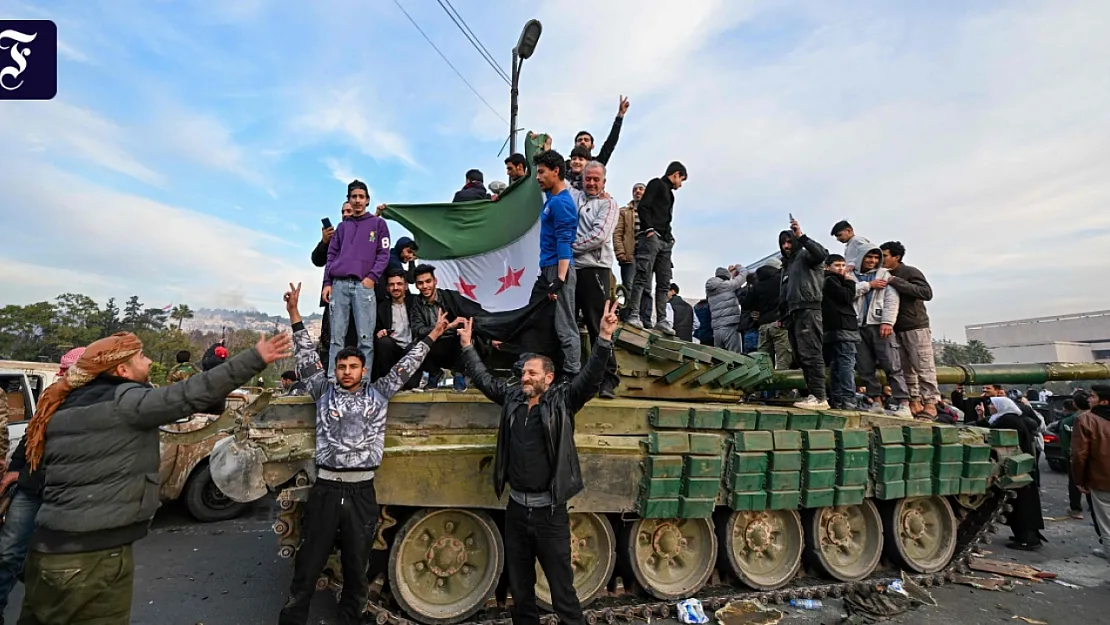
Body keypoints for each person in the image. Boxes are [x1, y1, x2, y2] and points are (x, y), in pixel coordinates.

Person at [17, 330, 289, 623]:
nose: (148, 363)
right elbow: (191, 393)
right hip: (93, 557)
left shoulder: (67, 405)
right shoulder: (125, 401)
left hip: (47, 551)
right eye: (142, 357)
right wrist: (255, 358)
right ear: (122, 369)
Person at [278, 282, 451, 625]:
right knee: (308, 565)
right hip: (326, 488)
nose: (346, 372)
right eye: (342, 367)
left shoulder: (379, 393)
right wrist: (295, 313)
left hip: (361, 492)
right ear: (336, 369)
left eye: (353, 367)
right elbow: (305, 355)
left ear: (363, 370)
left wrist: (433, 334)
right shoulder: (322, 390)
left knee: (357, 569)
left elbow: (408, 365)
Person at [455, 300, 619, 625]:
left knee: (562, 594)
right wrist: (467, 347)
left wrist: (603, 339)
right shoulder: (514, 398)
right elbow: (485, 381)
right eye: (524, 372)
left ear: (549, 376)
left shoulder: (563, 401)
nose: (525, 377)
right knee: (521, 592)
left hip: (549, 514)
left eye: (532, 373)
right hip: (516, 510)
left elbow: (589, 379)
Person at [0, 348, 84, 621]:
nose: (60, 373)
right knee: (8, 553)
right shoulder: (51, 399)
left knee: (55, 563)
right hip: (30, 489)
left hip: (65, 494)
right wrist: (14, 473)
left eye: (66, 369)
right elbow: (29, 439)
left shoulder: (96, 407)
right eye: (60, 368)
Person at [323, 180, 392, 378]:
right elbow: (331, 255)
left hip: (364, 285)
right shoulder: (342, 227)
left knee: (365, 338)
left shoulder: (378, 224)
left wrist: (372, 277)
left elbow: (383, 253)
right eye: (354, 197)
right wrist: (327, 283)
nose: (357, 200)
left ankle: (363, 381)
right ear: (349, 200)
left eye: (361, 197)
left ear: (368, 200)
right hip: (339, 284)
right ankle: (332, 380)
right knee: (337, 338)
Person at [570, 160, 620, 397]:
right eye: (587, 178)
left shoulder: (609, 204)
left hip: (595, 269)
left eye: (596, 179)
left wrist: (567, 248)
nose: (591, 183)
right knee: (567, 323)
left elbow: (599, 236)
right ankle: (573, 374)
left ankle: (608, 378)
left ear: (604, 182)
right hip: (571, 270)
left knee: (598, 324)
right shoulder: (574, 196)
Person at [533, 149, 581, 377]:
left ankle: (572, 376)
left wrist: (560, 279)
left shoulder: (562, 203)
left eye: (542, 172)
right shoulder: (552, 199)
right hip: (548, 269)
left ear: (556, 172)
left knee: (565, 326)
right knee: (544, 324)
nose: (537, 177)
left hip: (558, 269)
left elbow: (564, 242)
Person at [625, 161, 687, 334]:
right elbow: (644, 207)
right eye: (681, 179)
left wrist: (670, 237)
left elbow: (667, 218)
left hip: (665, 241)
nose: (680, 184)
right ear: (675, 174)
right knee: (642, 276)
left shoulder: (670, 195)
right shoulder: (656, 184)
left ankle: (661, 319)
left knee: (664, 281)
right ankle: (634, 314)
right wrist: (649, 229)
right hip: (652, 237)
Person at [977, 396, 1046, 550]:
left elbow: (989, 431)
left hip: (1018, 469)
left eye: (993, 405)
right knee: (1020, 504)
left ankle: (1029, 539)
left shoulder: (1008, 420)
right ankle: (1024, 536)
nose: (990, 407)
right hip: (1020, 468)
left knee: (1022, 505)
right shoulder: (1010, 418)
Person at [881, 241, 940, 419]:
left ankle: (930, 402)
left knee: (923, 365)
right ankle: (913, 400)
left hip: (915, 326)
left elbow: (926, 293)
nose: (881, 259)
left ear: (896, 257)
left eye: (885, 256)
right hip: (894, 328)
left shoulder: (909, 272)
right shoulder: (881, 275)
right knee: (904, 367)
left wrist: (896, 281)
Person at [851, 246, 911, 417]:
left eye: (876, 258)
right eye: (868, 257)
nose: (872, 261)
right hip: (858, 326)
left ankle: (903, 403)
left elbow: (892, 299)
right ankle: (875, 401)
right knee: (865, 367)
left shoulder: (884, 274)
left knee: (892, 365)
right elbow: (848, 293)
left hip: (880, 325)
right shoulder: (850, 275)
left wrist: (887, 321)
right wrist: (868, 285)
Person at [778, 217, 830, 409]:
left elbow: (821, 254)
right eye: (783, 242)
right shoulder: (788, 265)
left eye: (789, 241)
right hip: (794, 312)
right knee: (801, 356)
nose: (786, 245)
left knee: (811, 353)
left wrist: (802, 237)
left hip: (809, 308)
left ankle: (820, 396)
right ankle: (812, 394)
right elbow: (784, 293)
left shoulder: (806, 256)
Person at [410, 264, 485, 388]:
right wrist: (445, 326)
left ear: (435, 281)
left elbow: (475, 314)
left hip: (454, 345)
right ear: (416, 285)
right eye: (420, 283)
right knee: (413, 347)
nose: (425, 286)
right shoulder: (416, 304)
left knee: (465, 338)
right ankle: (435, 374)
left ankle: (459, 374)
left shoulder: (450, 297)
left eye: (428, 281)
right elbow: (418, 330)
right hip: (434, 346)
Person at [312, 201, 358, 364]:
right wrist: (324, 242)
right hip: (333, 297)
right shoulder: (335, 237)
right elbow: (317, 259)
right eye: (343, 211)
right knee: (331, 340)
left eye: (349, 211)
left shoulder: (364, 235)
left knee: (353, 339)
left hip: (357, 297)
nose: (346, 214)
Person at [1072, 385, 1110, 552]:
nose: (1089, 399)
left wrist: (1079, 480)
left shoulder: (1086, 420)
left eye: (1093, 396)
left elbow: (1079, 455)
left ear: (1104, 401)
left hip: (1102, 480)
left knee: (1107, 528)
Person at [822, 254, 860, 410]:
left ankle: (837, 398)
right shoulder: (831, 280)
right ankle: (848, 398)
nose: (841, 268)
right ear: (827, 267)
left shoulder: (824, 281)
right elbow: (846, 297)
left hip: (831, 328)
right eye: (837, 265)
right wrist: (850, 283)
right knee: (846, 364)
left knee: (837, 365)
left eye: (843, 265)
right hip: (844, 326)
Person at [373, 269, 418, 383]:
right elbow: (375, 330)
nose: (395, 288)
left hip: (411, 349)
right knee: (383, 342)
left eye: (399, 284)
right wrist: (379, 333)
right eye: (392, 285)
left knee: (416, 346)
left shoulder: (416, 303)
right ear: (387, 288)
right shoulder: (381, 307)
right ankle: (387, 381)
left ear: (406, 286)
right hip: (392, 351)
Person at [744, 261, 791, 369]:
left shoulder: (756, 285)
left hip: (763, 325)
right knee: (783, 357)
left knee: (764, 359)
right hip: (779, 323)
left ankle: (766, 383)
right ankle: (783, 383)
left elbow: (747, 304)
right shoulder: (781, 280)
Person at [569, 96, 629, 167]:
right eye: (579, 140)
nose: (582, 142)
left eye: (586, 140)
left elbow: (610, 143)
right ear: (575, 145)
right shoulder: (565, 166)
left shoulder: (597, 163)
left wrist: (620, 115)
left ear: (592, 146)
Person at [613, 182, 644, 311]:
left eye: (641, 189)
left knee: (644, 286)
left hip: (646, 255)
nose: (637, 191)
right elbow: (617, 233)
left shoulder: (652, 212)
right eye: (635, 189)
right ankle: (628, 314)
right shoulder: (624, 212)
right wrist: (620, 252)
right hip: (629, 254)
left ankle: (642, 316)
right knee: (628, 286)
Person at [705, 265, 749, 352]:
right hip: (730, 326)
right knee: (735, 358)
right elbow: (744, 274)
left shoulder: (709, 290)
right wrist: (738, 267)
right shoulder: (728, 285)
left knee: (720, 358)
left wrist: (730, 274)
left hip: (716, 329)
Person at [1055, 397, 1085, 519]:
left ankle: (1076, 509)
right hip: (1093, 457)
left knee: (1074, 482)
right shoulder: (1095, 419)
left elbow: (1065, 442)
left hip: (1074, 457)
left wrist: (1069, 456)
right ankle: (1093, 506)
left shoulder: (1067, 421)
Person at [374, 236, 419, 301]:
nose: (411, 256)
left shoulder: (391, 256)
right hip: (382, 301)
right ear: (401, 248)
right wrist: (412, 261)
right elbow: (411, 279)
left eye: (413, 254)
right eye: (409, 251)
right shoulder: (392, 260)